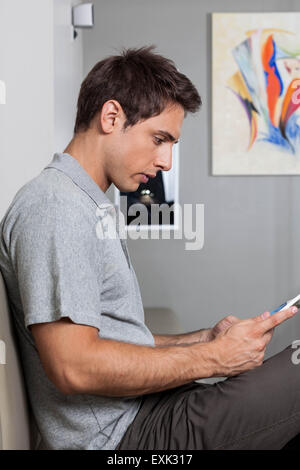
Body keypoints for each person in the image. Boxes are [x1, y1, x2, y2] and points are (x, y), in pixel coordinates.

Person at [0, 46, 300, 451]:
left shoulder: (81, 201)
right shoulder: (56, 207)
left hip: (144, 412)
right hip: (124, 438)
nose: (167, 162)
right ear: (111, 117)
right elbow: (74, 367)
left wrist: (205, 340)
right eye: (160, 139)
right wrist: (216, 359)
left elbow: (110, 336)